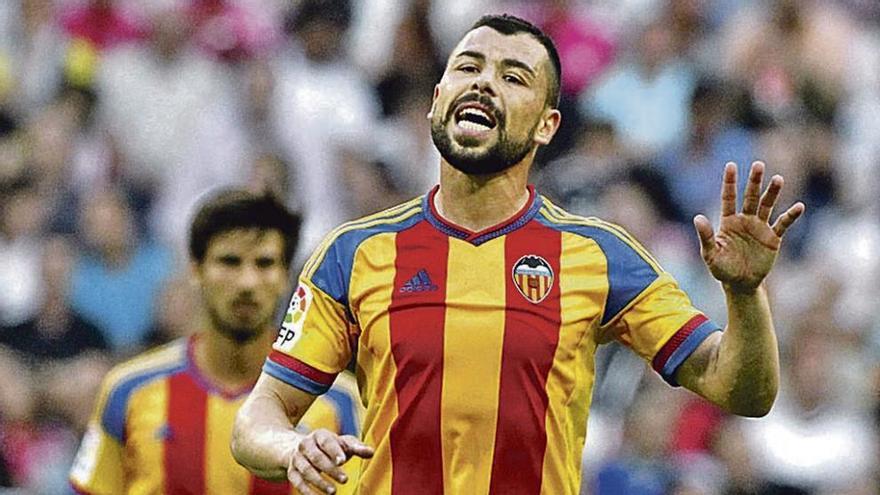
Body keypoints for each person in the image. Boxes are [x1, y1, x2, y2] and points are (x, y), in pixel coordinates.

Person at [231, 14, 805, 495]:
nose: (482, 83)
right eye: (467, 67)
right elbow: (257, 420)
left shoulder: (598, 254)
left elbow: (742, 391)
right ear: (437, 101)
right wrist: (294, 447)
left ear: (547, 126)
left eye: (513, 77)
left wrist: (744, 293)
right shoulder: (354, 252)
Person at [69, 190, 364, 494]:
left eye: (264, 264)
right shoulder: (129, 391)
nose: (247, 283)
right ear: (196, 270)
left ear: (285, 276)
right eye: (229, 262)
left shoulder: (340, 402)